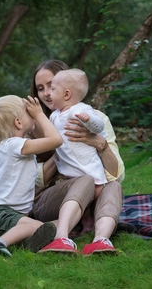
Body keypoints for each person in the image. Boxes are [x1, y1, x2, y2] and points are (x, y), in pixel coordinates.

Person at [30, 60, 125, 256]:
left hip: (91, 193)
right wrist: (60, 147)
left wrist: (100, 144)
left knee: (114, 186)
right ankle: (61, 237)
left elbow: (117, 174)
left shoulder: (90, 116)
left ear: (68, 91)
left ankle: (101, 240)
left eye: (51, 85)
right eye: (41, 88)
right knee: (85, 180)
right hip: (51, 201)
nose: (47, 93)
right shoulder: (33, 123)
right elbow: (33, 181)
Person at [0, 95, 63, 256]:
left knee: (59, 225)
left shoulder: (9, 145)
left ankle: (26, 243)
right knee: (39, 227)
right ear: (18, 122)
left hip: (10, 218)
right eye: (28, 113)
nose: (33, 116)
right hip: (1, 215)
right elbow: (56, 140)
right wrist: (39, 114)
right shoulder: (16, 145)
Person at [48, 68, 108, 186]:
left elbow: (99, 127)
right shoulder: (54, 115)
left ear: (66, 94)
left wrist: (89, 119)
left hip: (88, 165)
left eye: (53, 89)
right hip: (69, 169)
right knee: (78, 189)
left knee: (97, 187)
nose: (49, 93)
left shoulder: (80, 109)